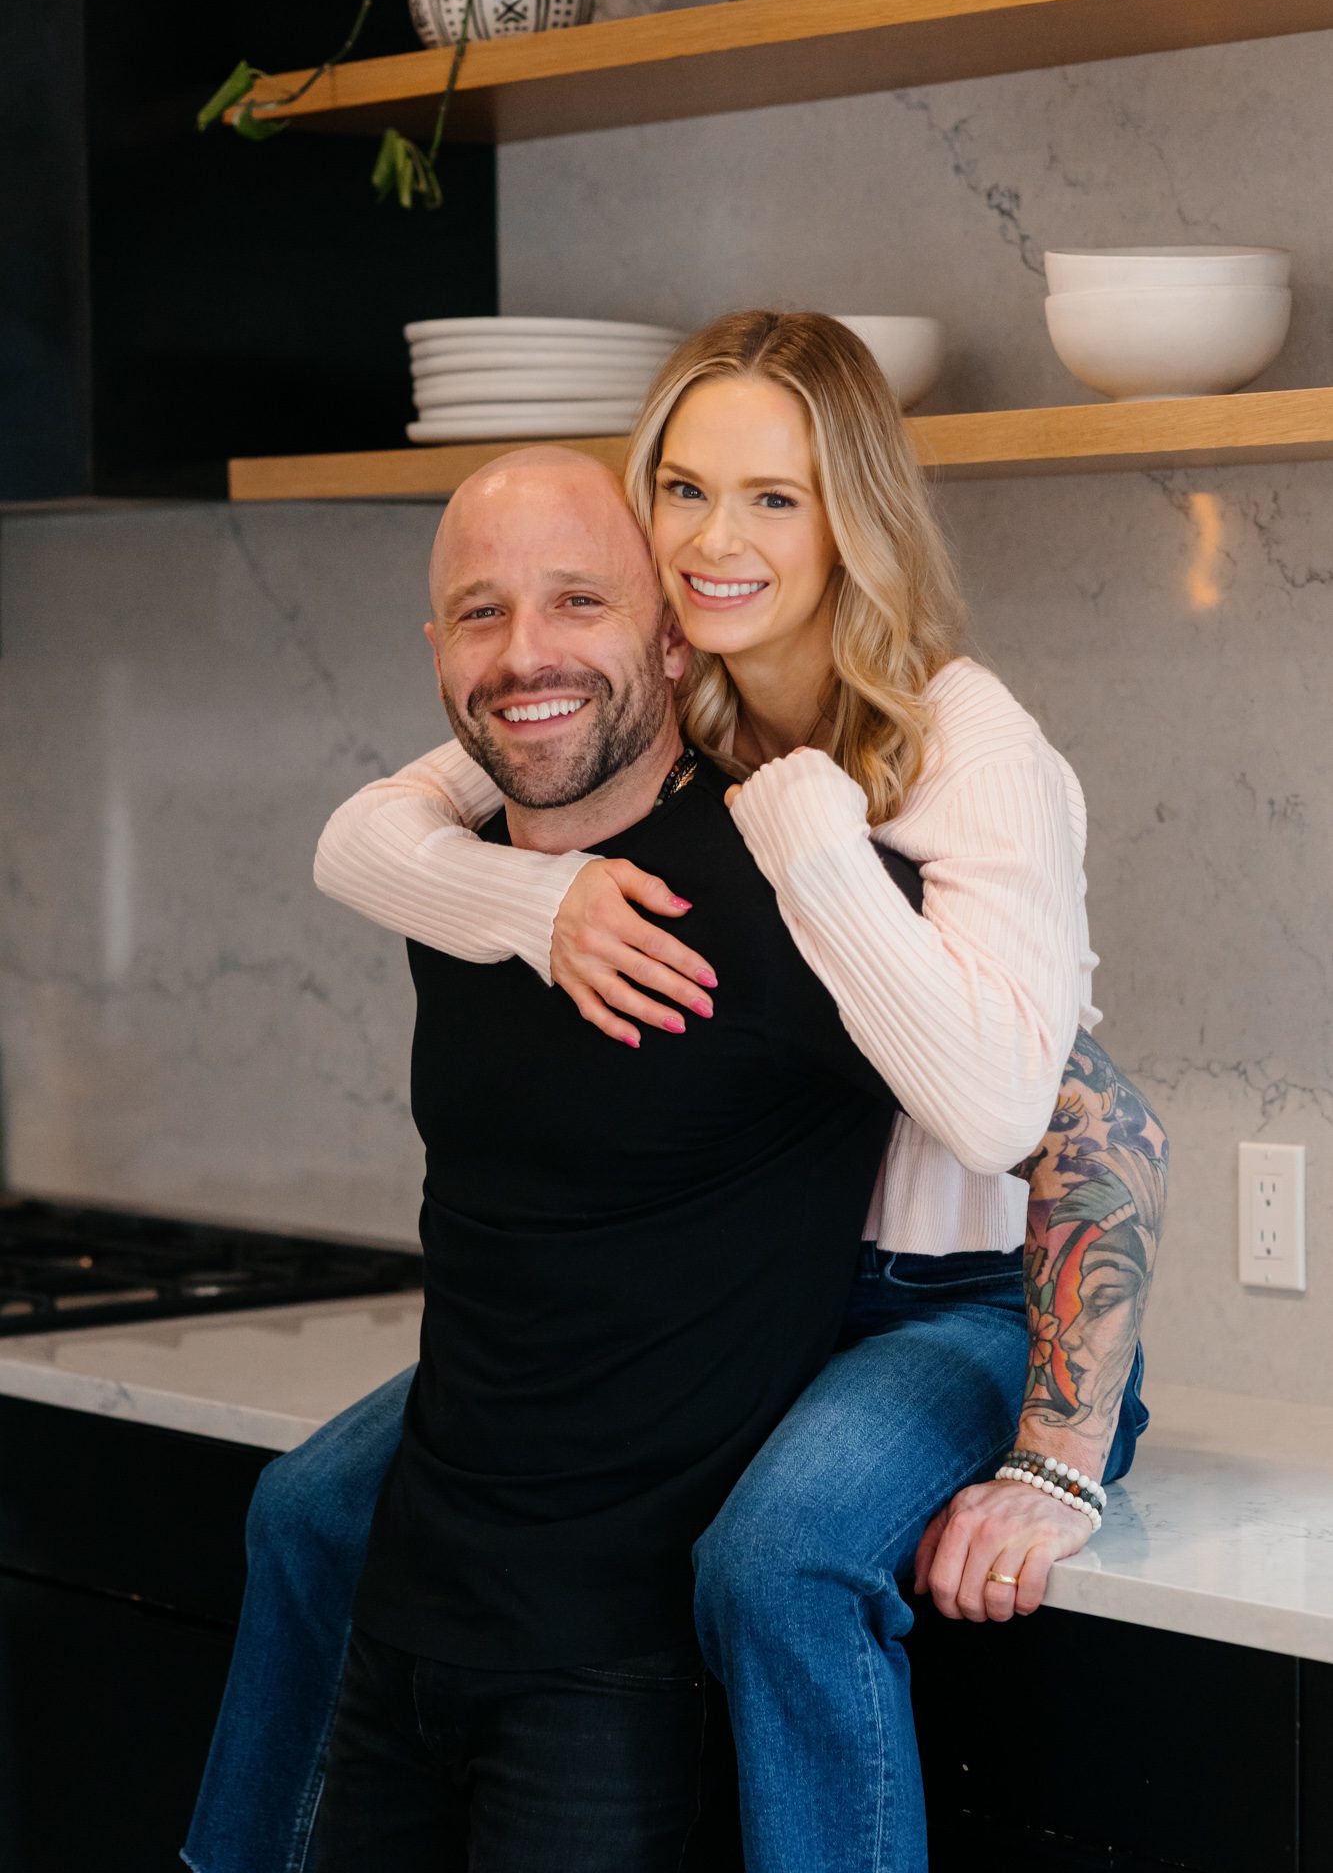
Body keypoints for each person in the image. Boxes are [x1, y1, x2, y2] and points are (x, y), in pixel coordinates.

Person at [183, 313, 1165, 1873]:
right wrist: (539, 907)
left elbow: (1052, 1123)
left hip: (969, 1301)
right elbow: (362, 839)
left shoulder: (963, 750)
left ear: (854, 518)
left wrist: (1057, 1458)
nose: (717, 539)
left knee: (771, 1562)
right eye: (684, 490)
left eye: (774, 497)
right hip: (758, 1292)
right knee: (313, 1509)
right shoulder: (674, 698)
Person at [305, 443, 926, 1870]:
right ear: (433, 650)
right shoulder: (456, 894)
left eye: (577, 601)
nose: (524, 654)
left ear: (667, 624)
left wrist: (1061, 1455)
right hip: (402, 1635)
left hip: (619, 1683)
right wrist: (529, 897)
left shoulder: (796, 883)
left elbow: (1084, 1137)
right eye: (479, 612)